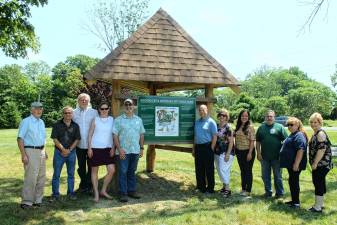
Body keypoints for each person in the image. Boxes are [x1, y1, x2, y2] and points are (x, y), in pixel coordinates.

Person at [113, 99, 145, 202]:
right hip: (123, 151)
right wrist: (119, 149)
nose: (128, 106)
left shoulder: (138, 120)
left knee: (132, 171)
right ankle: (122, 193)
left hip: (135, 150)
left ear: (134, 106)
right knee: (122, 172)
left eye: (130, 104)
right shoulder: (118, 120)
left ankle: (131, 191)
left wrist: (141, 148)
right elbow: (115, 135)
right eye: (126, 104)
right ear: (123, 107)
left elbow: (141, 134)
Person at [17, 101, 47, 209]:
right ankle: (26, 201)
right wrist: (23, 154)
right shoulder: (26, 122)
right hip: (30, 151)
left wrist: (45, 151)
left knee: (41, 177)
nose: (39, 110)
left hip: (41, 151)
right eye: (37, 108)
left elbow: (43, 138)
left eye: (41, 108)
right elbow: (20, 138)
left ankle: (37, 200)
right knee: (31, 177)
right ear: (32, 110)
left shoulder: (42, 122)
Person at [88, 102, 116, 203]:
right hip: (95, 148)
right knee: (94, 171)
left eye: (106, 109)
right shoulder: (95, 120)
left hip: (108, 148)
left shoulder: (112, 120)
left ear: (109, 109)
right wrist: (89, 148)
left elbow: (114, 135)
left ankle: (103, 190)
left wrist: (113, 147)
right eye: (102, 109)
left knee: (112, 170)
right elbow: (90, 135)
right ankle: (96, 193)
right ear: (99, 110)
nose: (104, 111)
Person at [50, 106, 81, 201]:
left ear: (72, 114)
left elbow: (77, 139)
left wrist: (69, 150)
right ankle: (55, 194)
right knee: (56, 175)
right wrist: (63, 149)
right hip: (59, 153)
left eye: (70, 113)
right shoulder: (56, 125)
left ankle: (70, 193)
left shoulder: (75, 125)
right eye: (66, 113)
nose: (68, 114)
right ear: (63, 114)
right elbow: (55, 139)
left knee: (71, 174)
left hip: (71, 153)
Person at [256, 110, 288, 198]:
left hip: (277, 157)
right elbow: (258, 141)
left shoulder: (279, 127)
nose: (269, 118)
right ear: (265, 118)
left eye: (271, 116)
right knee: (265, 176)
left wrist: (283, 152)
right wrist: (258, 153)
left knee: (278, 176)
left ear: (274, 117)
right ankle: (268, 192)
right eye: (267, 116)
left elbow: (286, 140)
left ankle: (279, 193)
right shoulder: (261, 128)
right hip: (264, 157)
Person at [280, 117, 308, 208]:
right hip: (290, 164)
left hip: (295, 164)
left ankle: (296, 203)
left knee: (294, 182)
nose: (289, 126)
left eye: (291, 125)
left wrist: (296, 164)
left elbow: (301, 149)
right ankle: (294, 200)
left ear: (297, 125)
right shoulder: (293, 134)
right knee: (292, 181)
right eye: (288, 125)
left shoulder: (299, 135)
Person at [73, 93, 98, 193]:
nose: (84, 101)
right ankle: (83, 184)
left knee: (92, 165)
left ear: (89, 101)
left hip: (91, 145)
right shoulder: (73, 113)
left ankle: (89, 185)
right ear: (78, 101)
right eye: (81, 99)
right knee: (81, 166)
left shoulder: (94, 112)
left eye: (86, 100)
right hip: (79, 144)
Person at [308, 113, 332, 213]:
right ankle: (320, 204)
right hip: (321, 164)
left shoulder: (320, 133)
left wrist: (315, 163)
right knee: (319, 183)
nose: (313, 124)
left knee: (318, 183)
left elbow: (321, 150)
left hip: (322, 164)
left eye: (316, 122)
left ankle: (317, 207)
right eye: (312, 122)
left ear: (320, 122)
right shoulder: (316, 132)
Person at [192, 104, 217, 194]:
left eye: (203, 110)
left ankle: (210, 189)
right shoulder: (197, 122)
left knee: (209, 169)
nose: (201, 112)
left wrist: (211, 148)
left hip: (207, 147)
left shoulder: (211, 122)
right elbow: (195, 136)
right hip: (198, 147)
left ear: (207, 110)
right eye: (200, 110)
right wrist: (194, 148)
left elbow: (215, 136)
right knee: (199, 168)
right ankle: (201, 187)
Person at [234, 109, 255, 197]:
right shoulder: (238, 125)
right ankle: (243, 188)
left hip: (248, 151)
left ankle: (248, 190)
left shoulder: (250, 127)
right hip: (239, 151)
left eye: (246, 116)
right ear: (240, 117)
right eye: (242, 116)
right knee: (242, 171)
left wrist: (250, 153)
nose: (244, 117)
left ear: (248, 117)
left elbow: (252, 141)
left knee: (248, 171)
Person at [214, 109, 234, 198]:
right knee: (219, 169)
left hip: (226, 152)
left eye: (224, 115)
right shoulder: (216, 126)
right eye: (220, 115)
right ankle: (224, 186)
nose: (222, 117)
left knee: (223, 169)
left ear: (227, 117)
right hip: (217, 152)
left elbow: (231, 142)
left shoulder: (228, 128)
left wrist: (228, 154)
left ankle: (228, 189)